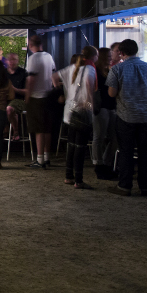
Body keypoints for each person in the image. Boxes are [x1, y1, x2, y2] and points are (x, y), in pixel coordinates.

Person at [106, 39, 147, 197]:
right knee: (145, 151)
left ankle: (125, 186)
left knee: (126, 151)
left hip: (126, 115)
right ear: (136, 50)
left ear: (121, 53)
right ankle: (145, 187)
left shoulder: (117, 69)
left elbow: (112, 93)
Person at [54, 46, 97, 189]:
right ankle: (79, 180)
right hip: (82, 111)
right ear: (92, 57)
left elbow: (54, 77)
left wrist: (62, 92)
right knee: (80, 146)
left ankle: (68, 176)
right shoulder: (90, 69)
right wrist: (90, 103)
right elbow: (88, 87)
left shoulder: (72, 67)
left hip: (69, 111)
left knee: (71, 144)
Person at [25, 35, 57, 169]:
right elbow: (54, 74)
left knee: (39, 129)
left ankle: (39, 159)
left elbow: (31, 80)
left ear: (30, 45)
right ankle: (47, 157)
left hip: (37, 97)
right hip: (49, 96)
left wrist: (27, 96)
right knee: (47, 129)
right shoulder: (48, 56)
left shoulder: (33, 59)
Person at [92, 47, 118, 179]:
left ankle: (106, 163)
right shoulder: (97, 71)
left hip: (111, 106)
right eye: (108, 57)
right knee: (99, 137)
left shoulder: (109, 70)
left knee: (114, 137)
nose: (110, 59)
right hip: (101, 107)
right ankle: (99, 164)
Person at [5, 53, 28, 141]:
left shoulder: (23, 73)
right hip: (4, 99)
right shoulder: (3, 72)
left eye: (14, 59)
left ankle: (16, 132)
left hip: (19, 100)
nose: (12, 62)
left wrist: (15, 89)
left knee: (9, 109)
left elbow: (28, 91)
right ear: (7, 61)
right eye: (10, 59)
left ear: (18, 61)